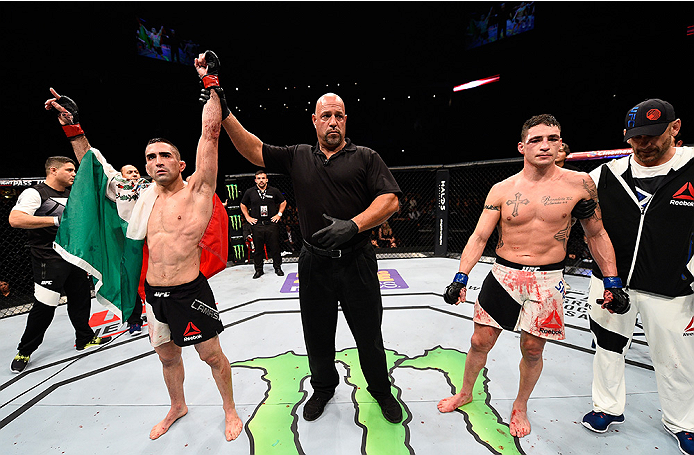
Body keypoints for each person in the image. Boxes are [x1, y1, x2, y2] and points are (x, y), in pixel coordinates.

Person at [43, 51, 243, 441]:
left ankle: (230, 409)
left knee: (211, 355)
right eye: (151, 157)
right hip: (154, 294)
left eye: (165, 155)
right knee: (168, 356)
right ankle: (177, 405)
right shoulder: (138, 197)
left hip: (190, 290)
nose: (157, 161)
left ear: (181, 163)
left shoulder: (198, 193)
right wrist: (73, 128)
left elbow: (211, 135)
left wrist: (211, 85)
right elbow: (94, 171)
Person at [200, 51, 404, 424]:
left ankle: (379, 390)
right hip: (314, 263)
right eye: (325, 115)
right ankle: (323, 387)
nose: (332, 121)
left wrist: (354, 225)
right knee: (317, 334)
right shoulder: (297, 156)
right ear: (314, 121)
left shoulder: (366, 157)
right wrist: (222, 106)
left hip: (357, 260)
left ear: (346, 120)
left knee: (369, 334)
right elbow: (251, 148)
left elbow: (390, 200)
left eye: (338, 115)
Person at [437, 114, 629, 438]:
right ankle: (466, 392)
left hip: (548, 280)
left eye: (552, 139)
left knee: (532, 349)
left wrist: (611, 280)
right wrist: (460, 277)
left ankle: (520, 406)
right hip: (503, 274)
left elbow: (596, 234)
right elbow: (479, 237)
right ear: (522, 146)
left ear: (560, 143)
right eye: (537, 139)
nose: (545, 145)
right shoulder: (502, 189)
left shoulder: (579, 185)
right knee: (479, 340)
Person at [580, 99, 694, 455]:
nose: (644, 144)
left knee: (677, 357)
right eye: (636, 138)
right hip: (612, 282)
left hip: (673, 287)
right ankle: (606, 408)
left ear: (674, 128)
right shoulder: (605, 175)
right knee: (607, 348)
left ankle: (684, 423)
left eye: (652, 136)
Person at [9, 156, 112, 373]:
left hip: (73, 255)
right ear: (53, 170)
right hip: (49, 258)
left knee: (81, 298)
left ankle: (84, 338)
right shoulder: (36, 193)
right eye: (70, 170)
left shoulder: (71, 194)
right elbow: (15, 219)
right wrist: (55, 220)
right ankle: (25, 350)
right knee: (45, 306)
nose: (74, 174)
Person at [240, 170, 287, 278]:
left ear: (267, 179)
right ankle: (259, 270)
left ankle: (277, 267)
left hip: (271, 223)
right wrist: (248, 217)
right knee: (258, 249)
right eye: (259, 178)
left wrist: (279, 214)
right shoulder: (250, 192)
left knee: (275, 247)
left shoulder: (274, 191)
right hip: (257, 224)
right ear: (255, 180)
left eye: (263, 178)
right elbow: (243, 204)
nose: (261, 180)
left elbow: (283, 202)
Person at [119, 164, 144, 335]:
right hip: (127, 242)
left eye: (136, 171)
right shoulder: (116, 191)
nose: (134, 174)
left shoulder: (147, 187)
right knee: (130, 280)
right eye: (130, 172)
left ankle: (159, 313)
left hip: (148, 239)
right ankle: (134, 319)